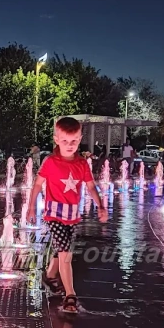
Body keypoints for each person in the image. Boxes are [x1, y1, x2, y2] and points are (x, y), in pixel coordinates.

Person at [27, 117, 107, 314]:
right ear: (56, 139)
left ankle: (50, 275)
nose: (69, 145)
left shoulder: (81, 164)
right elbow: (37, 184)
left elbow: (90, 186)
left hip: (72, 215)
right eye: (65, 141)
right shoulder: (51, 162)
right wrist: (30, 208)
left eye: (74, 141)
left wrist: (101, 206)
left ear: (80, 139)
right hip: (54, 214)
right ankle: (70, 295)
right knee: (66, 255)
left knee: (61, 249)